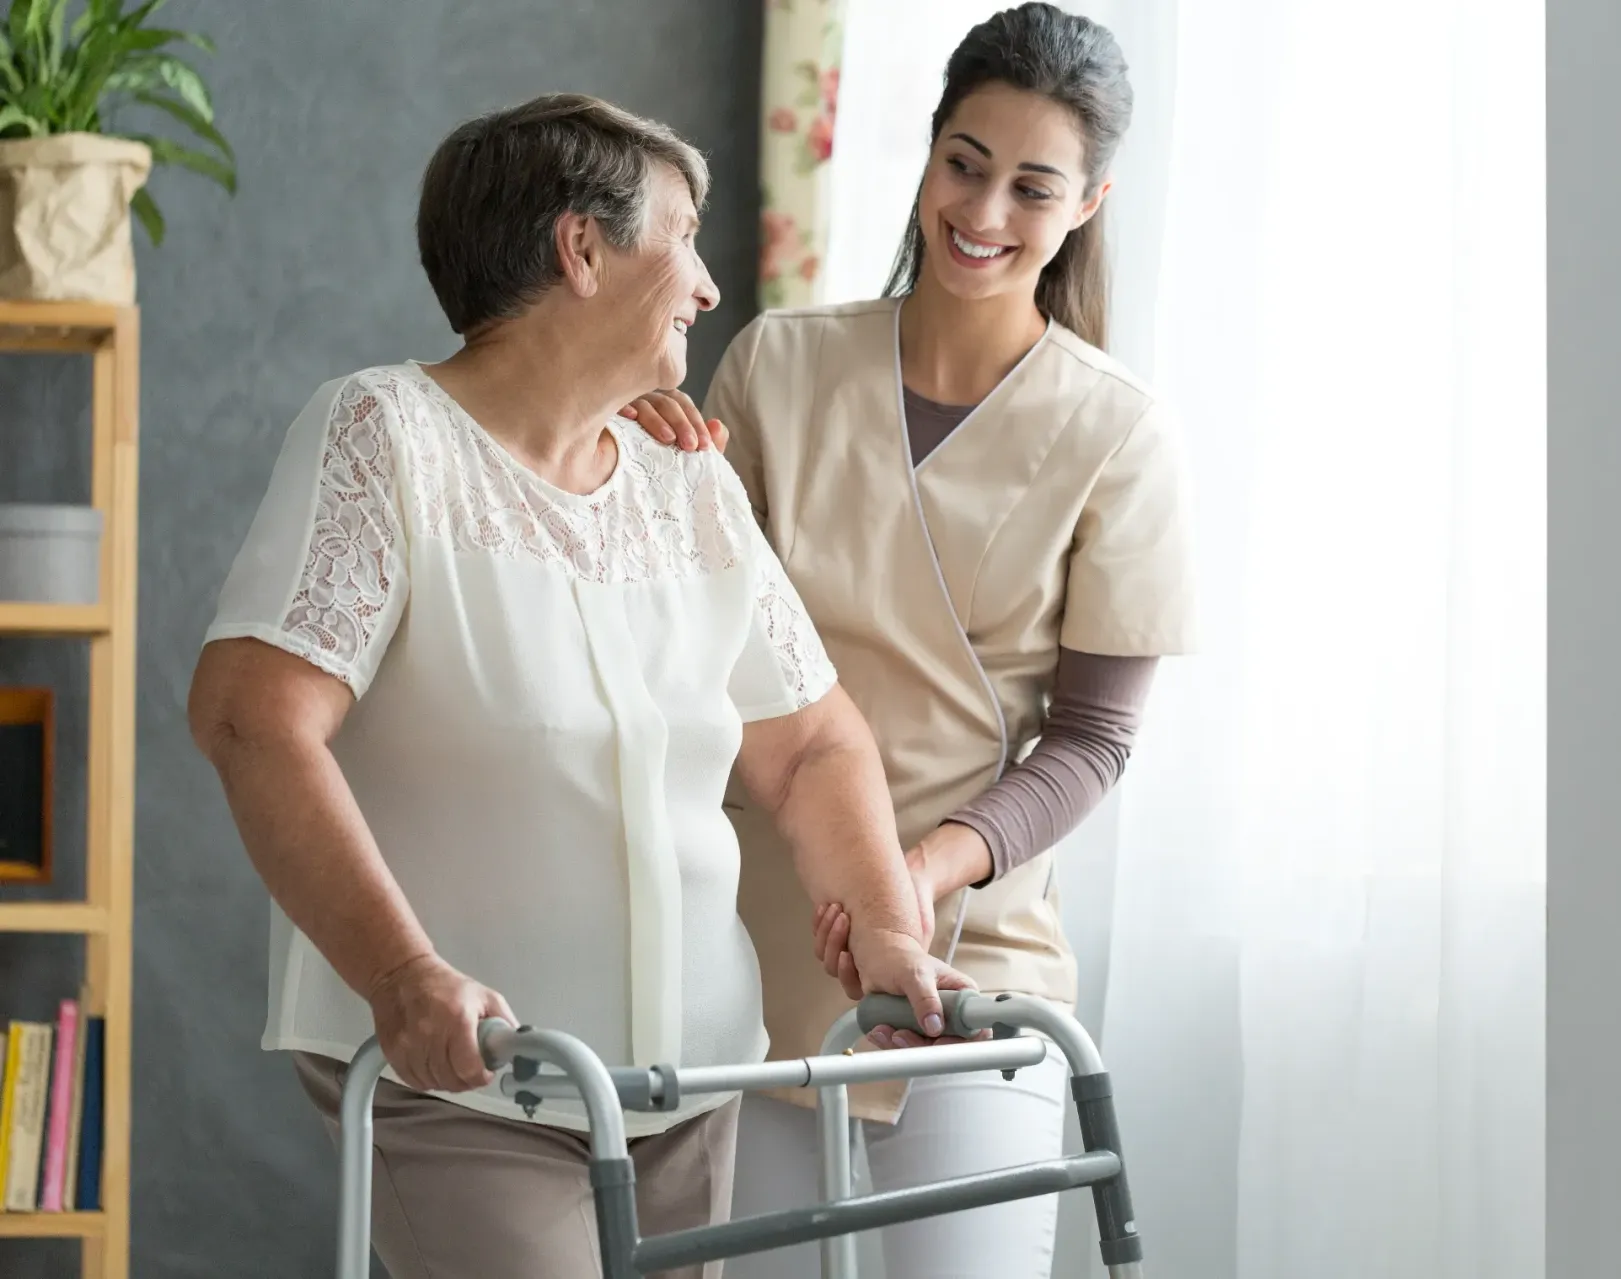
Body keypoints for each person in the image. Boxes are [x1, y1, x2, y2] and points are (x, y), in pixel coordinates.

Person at [186, 94, 965, 1279]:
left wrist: (890, 930)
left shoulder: (684, 477)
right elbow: (251, 716)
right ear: (582, 248)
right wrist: (404, 978)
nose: (708, 287)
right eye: (685, 239)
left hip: (689, 1083)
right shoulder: (386, 437)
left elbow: (810, 746)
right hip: (469, 1081)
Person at [626, 7, 1198, 1276]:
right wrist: (638, 473)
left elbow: (1096, 741)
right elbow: (682, 641)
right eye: (964, 161)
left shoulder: (1121, 435)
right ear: (929, 152)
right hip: (763, 956)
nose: (985, 209)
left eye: (1032, 185)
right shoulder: (776, 367)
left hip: (973, 965)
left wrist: (927, 869)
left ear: (1089, 202)